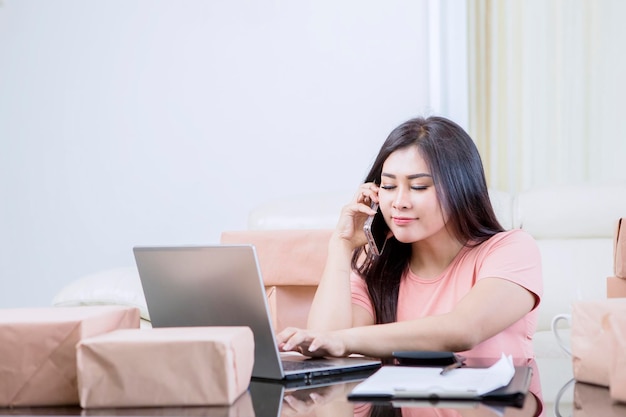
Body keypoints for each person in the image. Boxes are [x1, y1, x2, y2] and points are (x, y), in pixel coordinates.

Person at [276, 115, 543, 360]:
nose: (399, 202)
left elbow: (464, 329)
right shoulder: (375, 267)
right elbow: (323, 344)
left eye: (418, 186)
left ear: (460, 189)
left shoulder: (512, 249)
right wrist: (341, 246)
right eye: (389, 186)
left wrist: (344, 340)